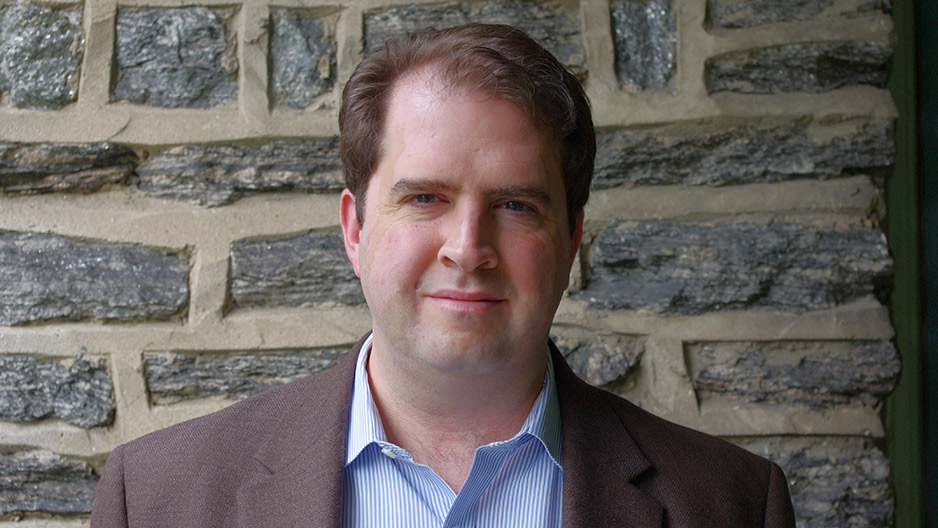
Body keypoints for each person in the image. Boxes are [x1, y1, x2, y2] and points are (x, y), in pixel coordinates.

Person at [91, 23, 795, 527]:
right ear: (355, 228)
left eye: (516, 205)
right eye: (425, 198)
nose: (468, 247)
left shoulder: (729, 504)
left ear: (571, 237)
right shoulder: (158, 500)